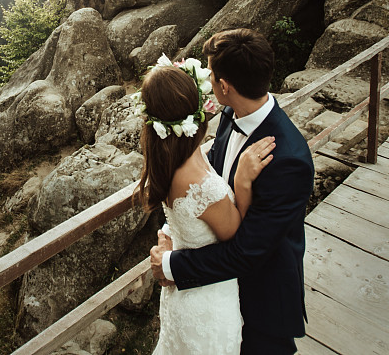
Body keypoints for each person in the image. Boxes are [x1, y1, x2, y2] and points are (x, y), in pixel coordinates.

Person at [149, 28, 314, 354]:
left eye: (211, 74)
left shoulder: (289, 161)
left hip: (261, 303)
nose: (208, 78)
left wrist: (169, 266)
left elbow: (247, 253)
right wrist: (173, 229)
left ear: (224, 86)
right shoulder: (229, 114)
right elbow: (203, 186)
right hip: (218, 294)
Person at [133, 56, 275, 354]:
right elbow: (236, 235)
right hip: (208, 302)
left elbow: (184, 215)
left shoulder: (170, 155)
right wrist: (242, 183)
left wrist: (170, 235)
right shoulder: (198, 181)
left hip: (184, 294)